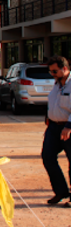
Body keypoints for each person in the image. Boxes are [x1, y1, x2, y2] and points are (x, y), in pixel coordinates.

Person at [43, 55, 71, 206]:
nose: (52, 74)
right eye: (50, 71)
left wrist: (69, 127)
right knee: (47, 157)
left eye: (54, 71)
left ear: (64, 69)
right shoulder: (57, 84)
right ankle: (61, 191)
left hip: (68, 128)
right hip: (54, 127)